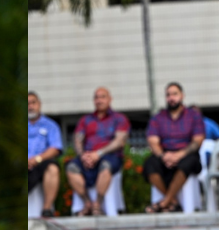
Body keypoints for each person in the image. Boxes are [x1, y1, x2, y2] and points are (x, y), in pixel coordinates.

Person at [144, 83, 206, 213]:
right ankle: (173, 202)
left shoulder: (193, 116)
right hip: (164, 153)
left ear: (182, 96)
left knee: (188, 162)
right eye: (168, 95)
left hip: (186, 153)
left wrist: (179, 155)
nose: (171, 98)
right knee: (149, 164)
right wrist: (163, 156)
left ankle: (164, 202)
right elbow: (153, 141)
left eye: (174, 94)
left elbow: (198, 140)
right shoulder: (158, 117)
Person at [67, 87, 129, 216]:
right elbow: (78, 139)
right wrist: (83, 155)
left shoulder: (119, 118)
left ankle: (98, 204)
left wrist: (98, 154)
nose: (99, 100)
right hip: (88, 155)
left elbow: (119, 141)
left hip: (110, 156)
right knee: (71, 167)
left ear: (110, 99)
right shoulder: (86, 120)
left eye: (103, 97)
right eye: (96, 97)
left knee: (106, 166)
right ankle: (88, 203)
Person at [28, 92, 63, 218]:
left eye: (33, 103)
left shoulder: (50, 125)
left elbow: (56, 148)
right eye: (27, 104)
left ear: (39, 104)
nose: (30, 106)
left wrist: (37, 159)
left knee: (53, 168)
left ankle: (46, 209)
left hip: (41, 162)